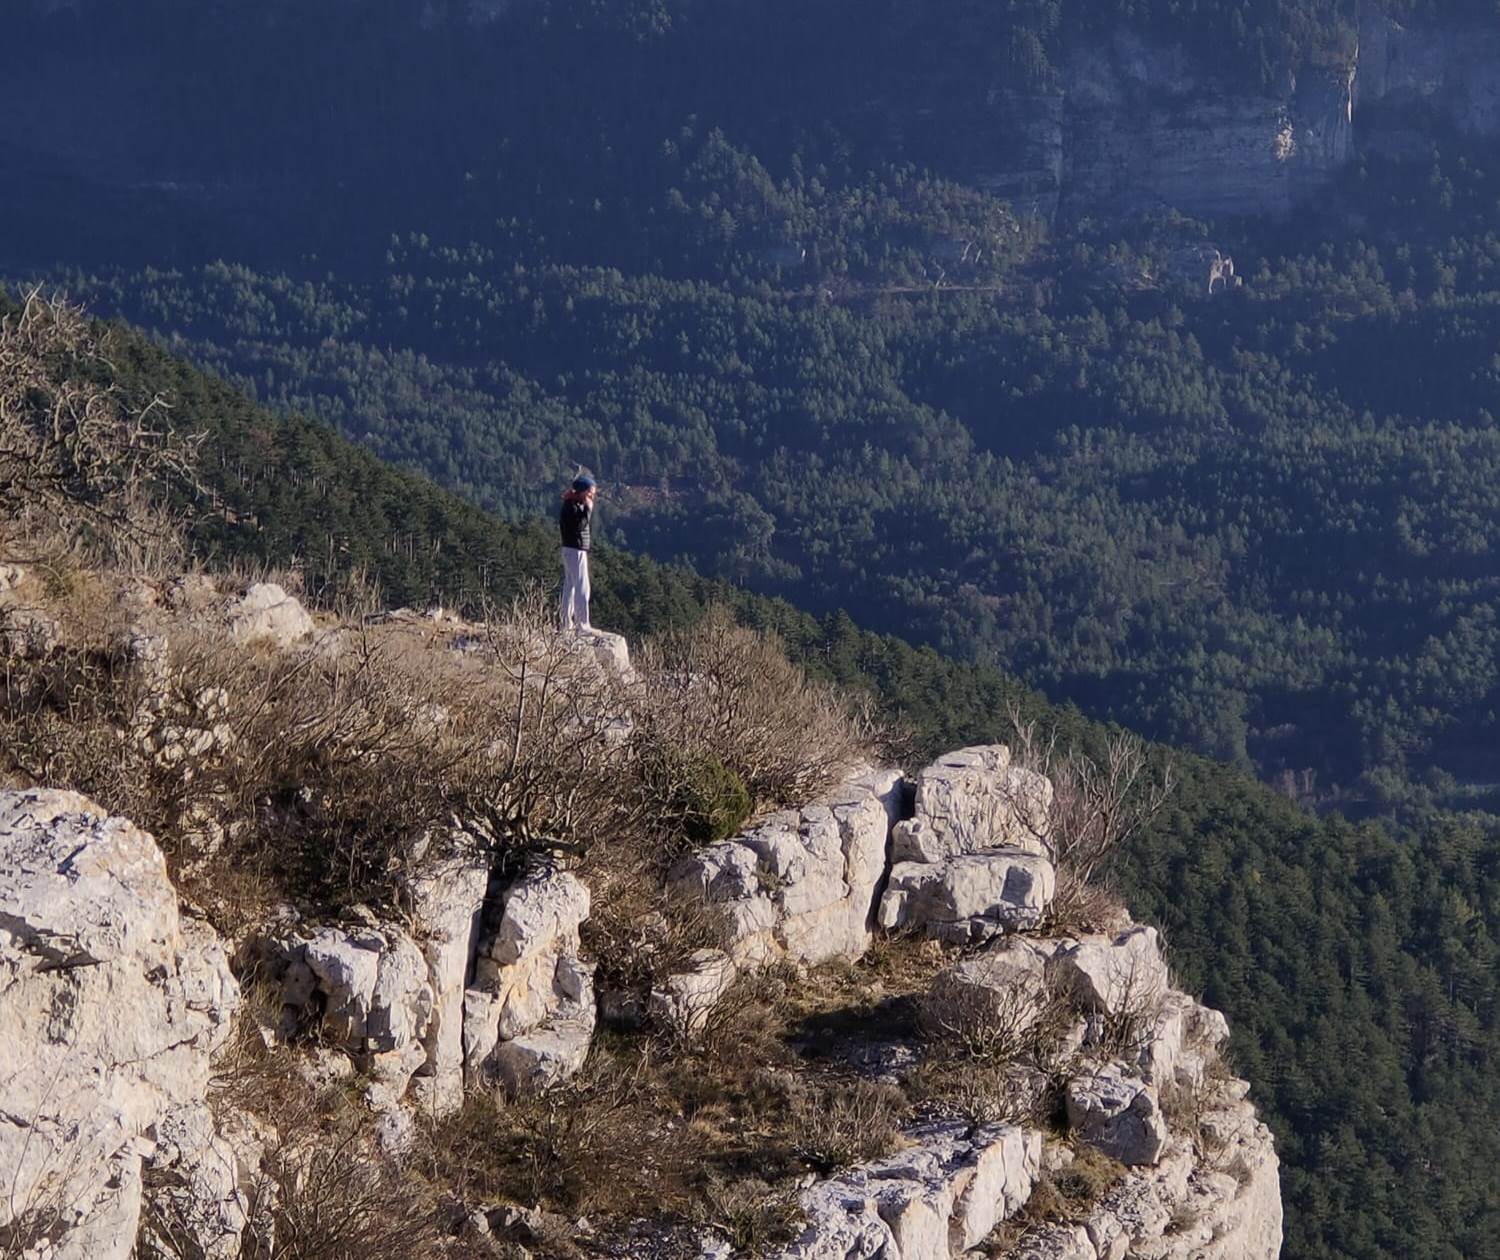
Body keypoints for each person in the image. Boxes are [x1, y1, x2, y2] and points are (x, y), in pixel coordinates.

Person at [558, 474, 596, 631]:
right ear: (582, 491)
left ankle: (565, 623)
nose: (592, 496)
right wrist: (588, 509)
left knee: (570, 586)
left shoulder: (570, 504)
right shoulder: (573, 507)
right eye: (589, 492)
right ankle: (583, 624)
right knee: (582, 586)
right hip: (575, 549)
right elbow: (579, 526)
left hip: (570, 549)